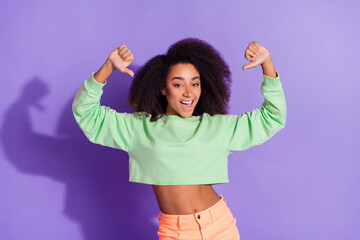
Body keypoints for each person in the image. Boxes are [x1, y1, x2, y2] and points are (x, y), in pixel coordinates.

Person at [72, 38, 286, 239]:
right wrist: (109, 66)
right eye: (178, 84)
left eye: (195, 84)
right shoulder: (139, 128)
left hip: (220, 226)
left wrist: (267, 64)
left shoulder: (216, 127)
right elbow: (86, 112)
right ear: (163, 89)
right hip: (177, 232)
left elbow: (273, 118)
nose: (188, 93)